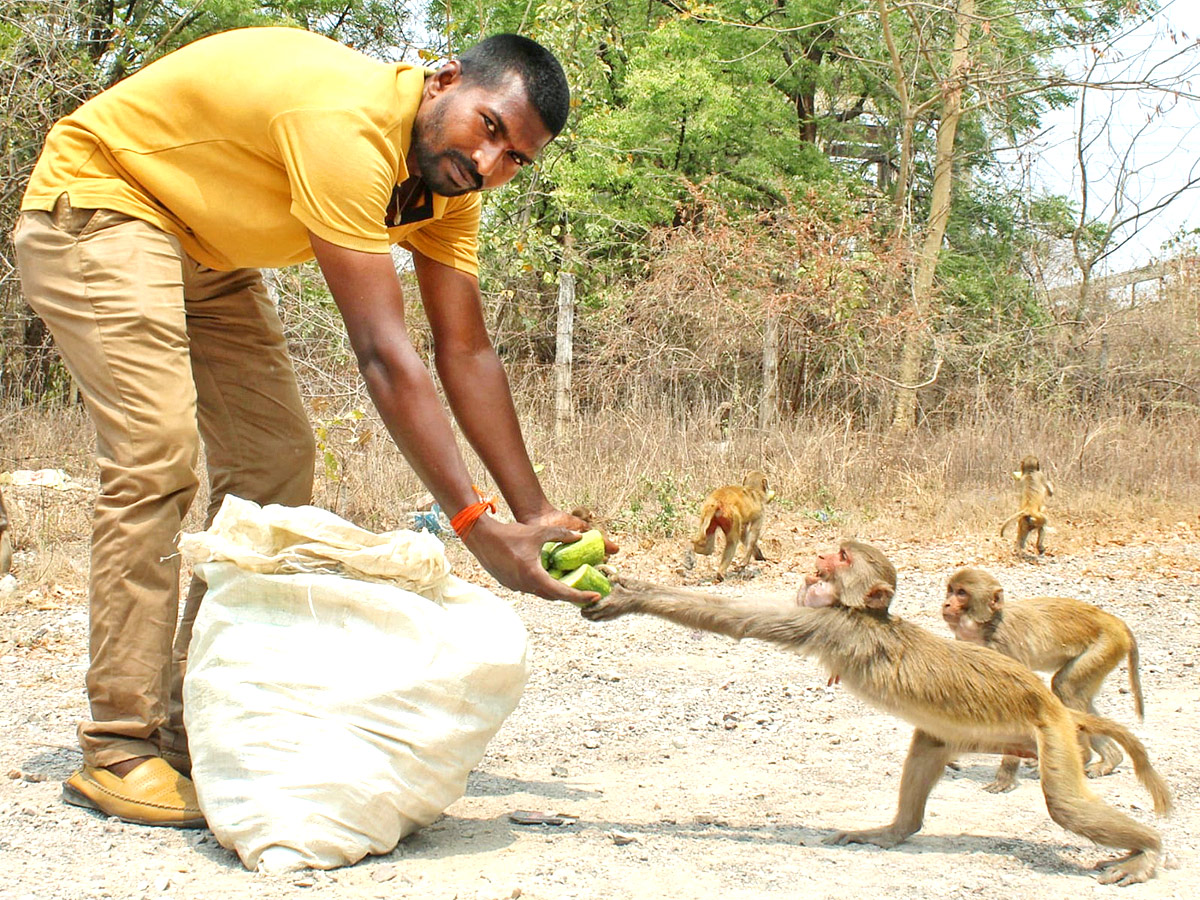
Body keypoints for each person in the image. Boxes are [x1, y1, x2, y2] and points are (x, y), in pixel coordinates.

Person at [13, 26, 614, 828]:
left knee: (275, 460)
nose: (491, 163)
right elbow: (384, 355)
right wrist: (476, 527)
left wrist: (533, 515)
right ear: (442, 83)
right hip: (104, 200)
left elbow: (465, 351)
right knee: (156, 453)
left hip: (207, 247)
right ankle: (120, 743)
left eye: (517, 160)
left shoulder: (445, 190)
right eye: (490, 126)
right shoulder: (347, 125)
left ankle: (189, 717)